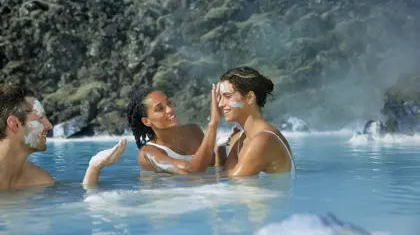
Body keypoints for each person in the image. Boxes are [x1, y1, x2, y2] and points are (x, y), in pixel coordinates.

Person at [144, 66, 295, 177]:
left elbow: (228, 182)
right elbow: (222, 175)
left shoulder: (263, 140)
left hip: (276, 218)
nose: (221, 104)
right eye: (220, 97)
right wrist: (221, 149)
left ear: (249, 98)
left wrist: (173, 171)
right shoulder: (239, 138)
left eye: (227, 96)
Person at [0, 85, 126, 191]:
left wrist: (94, 168)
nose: (49, 125)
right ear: (14, 124)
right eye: (40, 119)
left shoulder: (38, 179)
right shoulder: (36, 180)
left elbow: (78, 202)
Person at [126, 85, 239, 174]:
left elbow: (215, 168)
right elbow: (192, 172)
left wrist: (224, 147)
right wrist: (214, 122)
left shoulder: (193, 131)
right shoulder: (147, 154)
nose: (170, 109)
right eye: (160, 109)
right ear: (146, 121)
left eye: (169, 103)